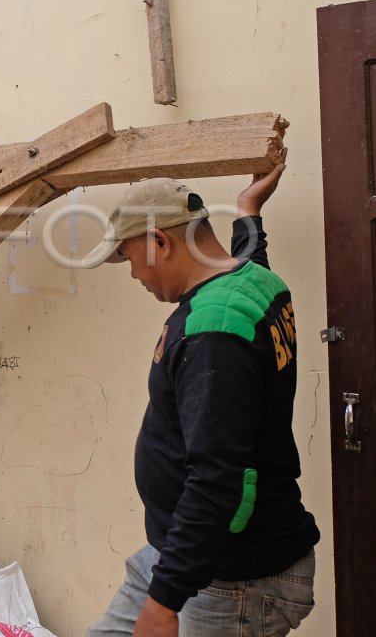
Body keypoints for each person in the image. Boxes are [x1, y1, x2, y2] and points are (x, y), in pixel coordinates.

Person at [86, 161, 319, 637]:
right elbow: (253, 258)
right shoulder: (253, 285)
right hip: (186, 553)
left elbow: (217, 477)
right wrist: (248, 212)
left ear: (160, 242)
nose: (133, 275)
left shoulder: (214, 333)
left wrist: (165, 600)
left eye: (131, 258)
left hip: (229, 579)